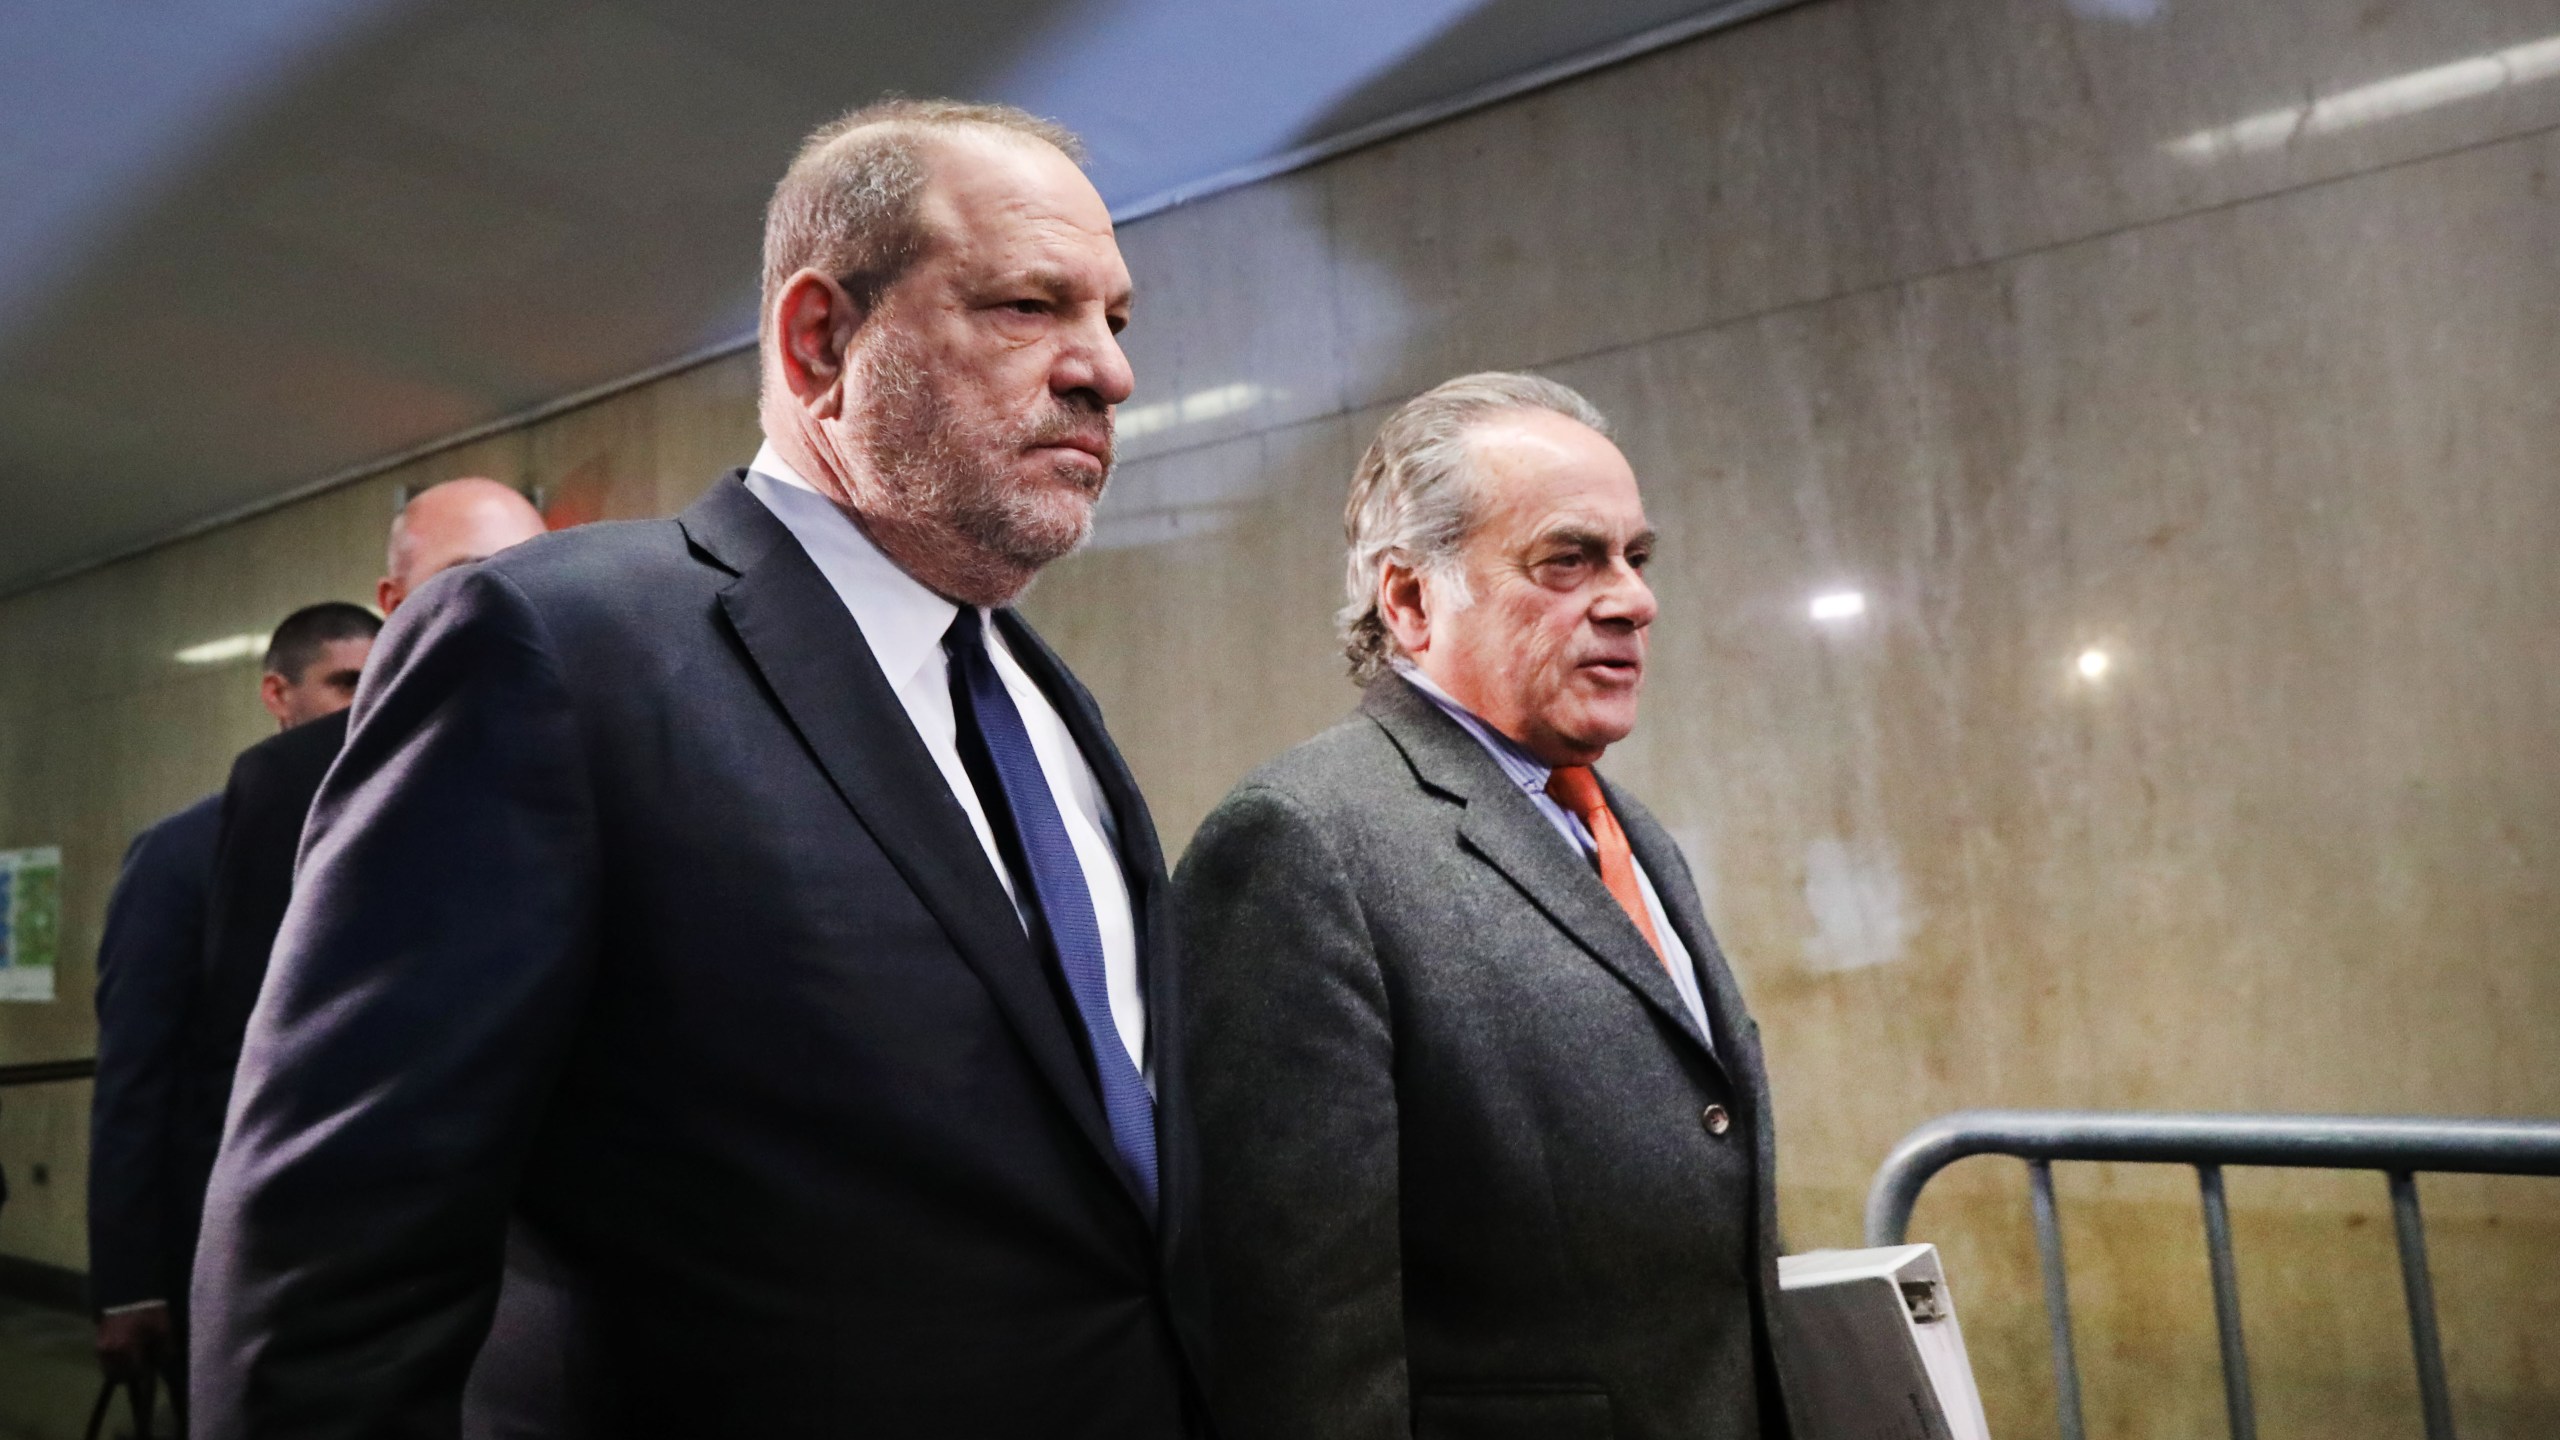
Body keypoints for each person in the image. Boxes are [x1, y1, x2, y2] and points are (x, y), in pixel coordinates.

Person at [191, 98, 1205, 1439]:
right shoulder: (556, 646)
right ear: (822, 337)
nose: (1106, 373)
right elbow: (332, 1256)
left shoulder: (1040, 701)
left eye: (1115, 321)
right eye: (1029, 306)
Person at [1178, 372, 1798, 1440]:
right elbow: (1299, 1332)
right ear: (1410, 600)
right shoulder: (1299, 843)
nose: (1632, 599)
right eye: (1569, 559)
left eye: (1635, 559)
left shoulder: (1627, 829)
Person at [176, 485, 546, 1299]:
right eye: (471, 572)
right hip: (361, 1237)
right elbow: (248, 1031)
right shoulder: (294, 777)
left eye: (532, 566)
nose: (512, 594)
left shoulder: (618, 741)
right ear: (396, 603)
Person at [86, 599, 380, 1407]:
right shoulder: (184, 854)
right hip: (221, 1249)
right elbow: (134, 1075)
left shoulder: (405, 834)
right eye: (343, 683)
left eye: (380, 683)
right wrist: (129, 1283)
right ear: (277, 696)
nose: (365, 705)